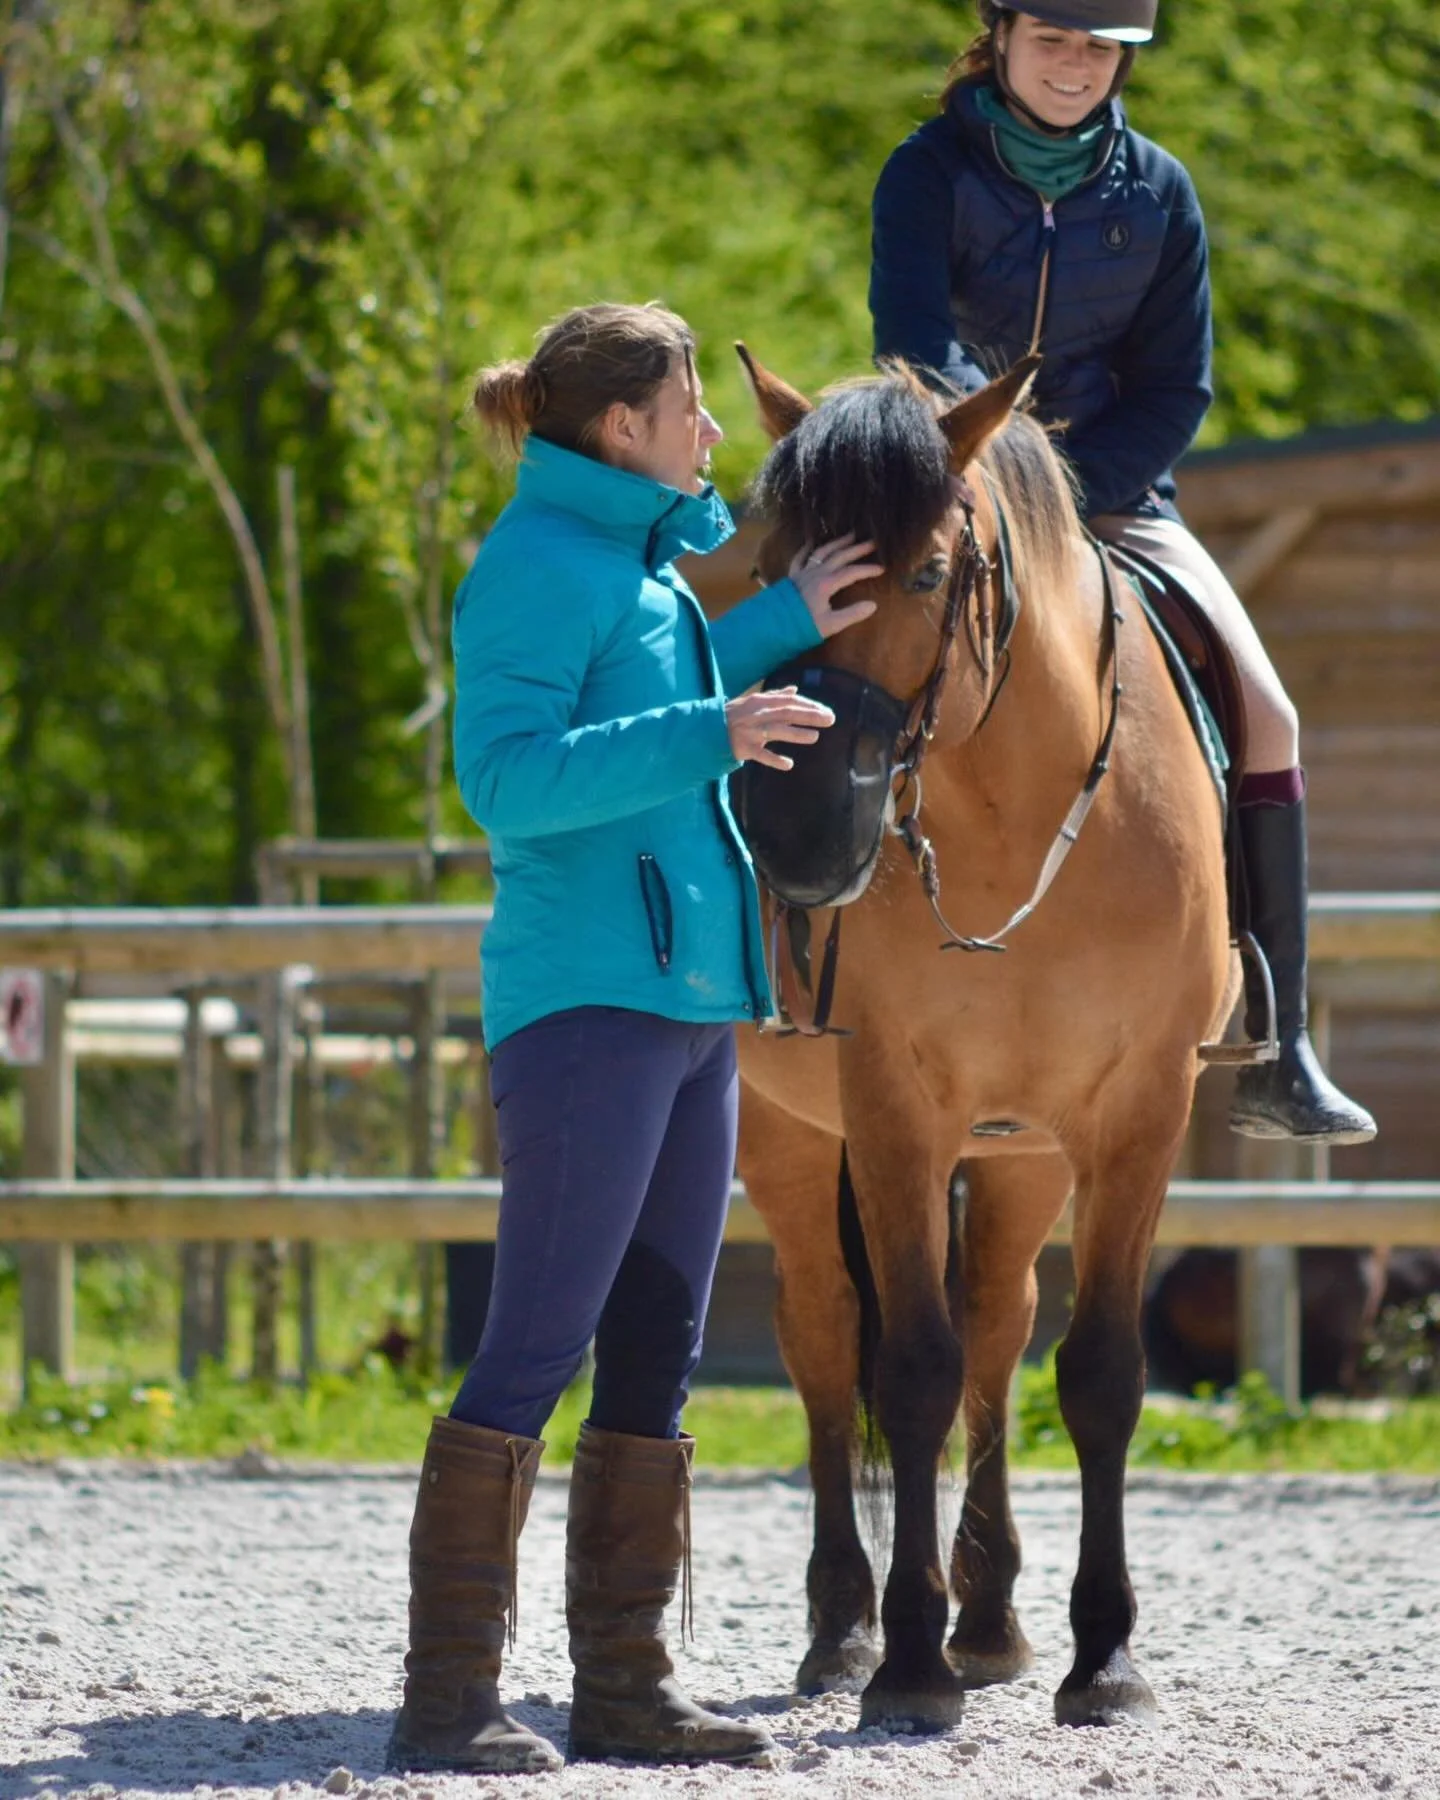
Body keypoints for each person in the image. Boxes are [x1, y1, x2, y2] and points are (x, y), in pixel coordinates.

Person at [387, 301, 881, 1775]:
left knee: (658, 1354)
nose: (714, 432)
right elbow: (506, 780)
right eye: (690, 407)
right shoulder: (538, 567)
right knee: (534, 1346)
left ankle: (624, 1686)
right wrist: (708, 735)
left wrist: (789, 619)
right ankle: (447, 1700)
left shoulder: (638, 574)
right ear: (623, 428)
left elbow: (660, 694)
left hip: (681, 1007)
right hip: (588, 1010)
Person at [868, 0, 1375, 1145]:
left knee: (1273, 715)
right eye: (1053, 41)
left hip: (1115, 500)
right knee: (838, 646)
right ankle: (799, 946)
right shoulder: (927, 171)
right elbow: (911, 342)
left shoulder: (1160, 193)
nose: (1075, 66)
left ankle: (1278, 1042)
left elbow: (1175, 388)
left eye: (1099, 49)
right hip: (956, 491)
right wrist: (1003, 476)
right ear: (1000, 38)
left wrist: (1072, 493)